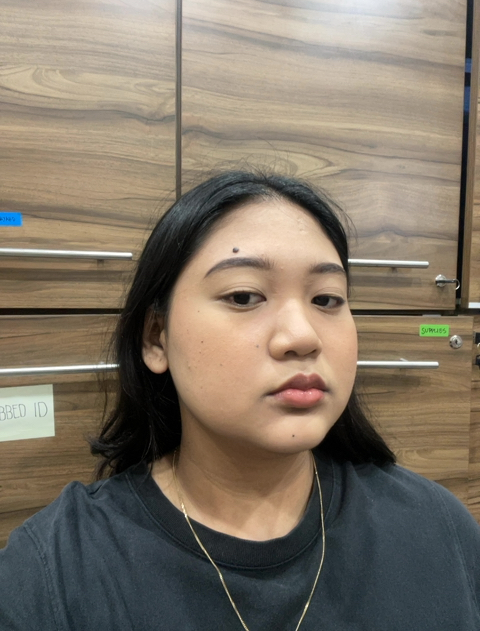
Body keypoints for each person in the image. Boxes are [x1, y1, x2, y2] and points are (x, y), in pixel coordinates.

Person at [0, 171, 479, 631]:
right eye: (245, 296)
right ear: (156, 337)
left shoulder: (439, 528)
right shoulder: (51, 573)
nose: (302, 336)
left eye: (327, 299)